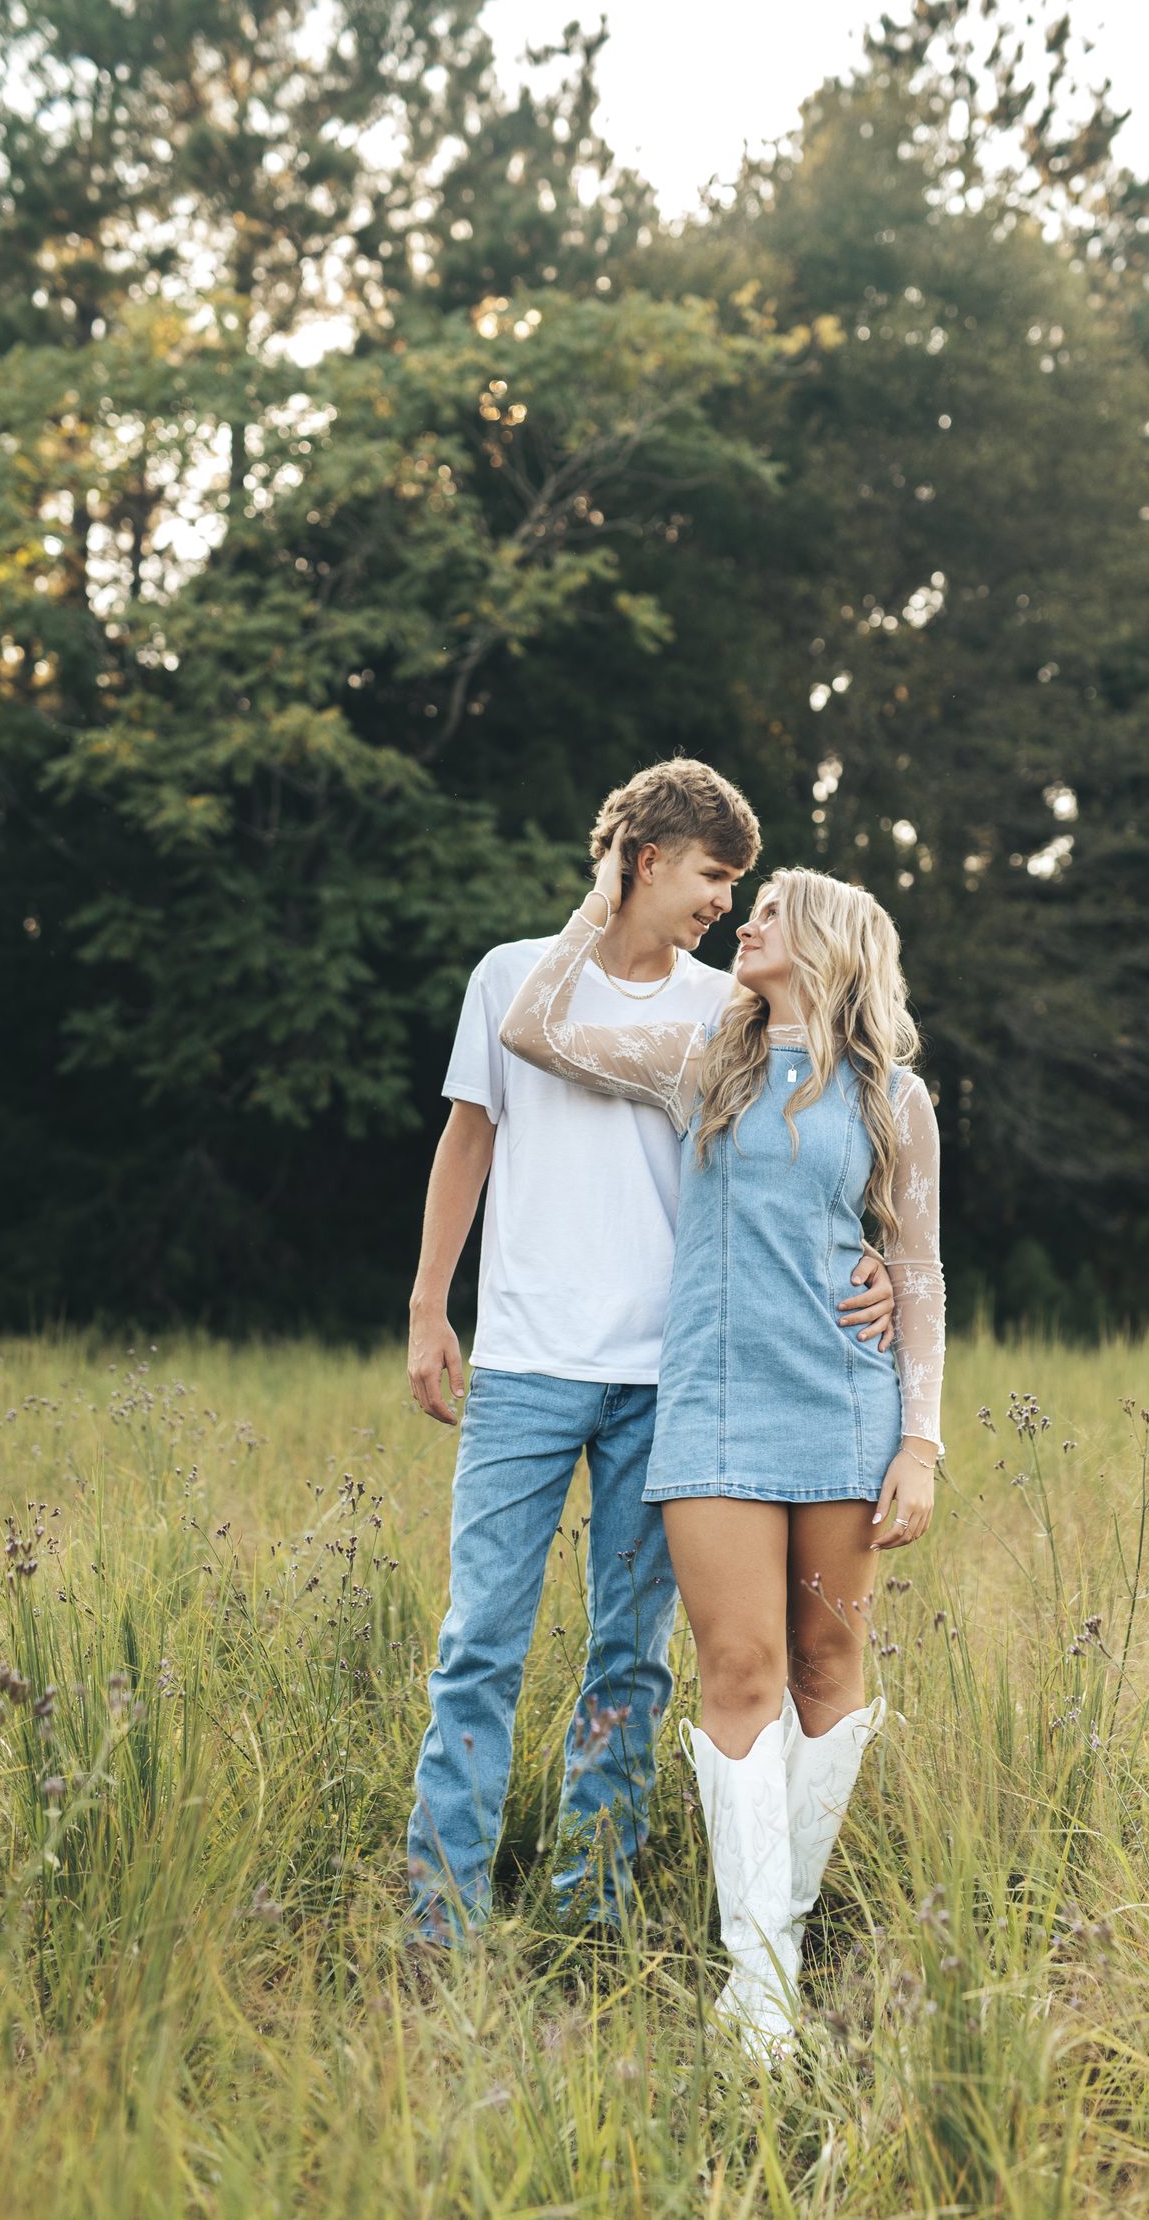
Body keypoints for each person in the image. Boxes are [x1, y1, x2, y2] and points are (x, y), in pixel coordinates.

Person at [404, 758, 899, 1937]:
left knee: (631, 1661)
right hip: (525, 1366)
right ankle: (441, 1923)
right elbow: (470, 1134)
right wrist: (431, 1305)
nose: (726, 903)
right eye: (712, 875)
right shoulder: (510, 976)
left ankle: (593, 1914)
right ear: (644, 859)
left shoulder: (718, 1011)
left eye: (740, 884)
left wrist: (868, 1255)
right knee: (479, 1642)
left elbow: (809, 1137)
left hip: (673, 1386)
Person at [498, 830, 945, 2058]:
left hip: (844, 1412)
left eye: (771, 913)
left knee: (825, 1671)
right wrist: (600, 900)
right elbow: (537, 1030)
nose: (742, 920)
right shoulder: (710, 1064)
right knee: (739, 1674)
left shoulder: (893, 1098)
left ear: (828, 947)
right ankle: (762, 1989)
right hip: (710, 1405)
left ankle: (771, 1944)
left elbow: (918, 1270)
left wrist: (920, 1441)